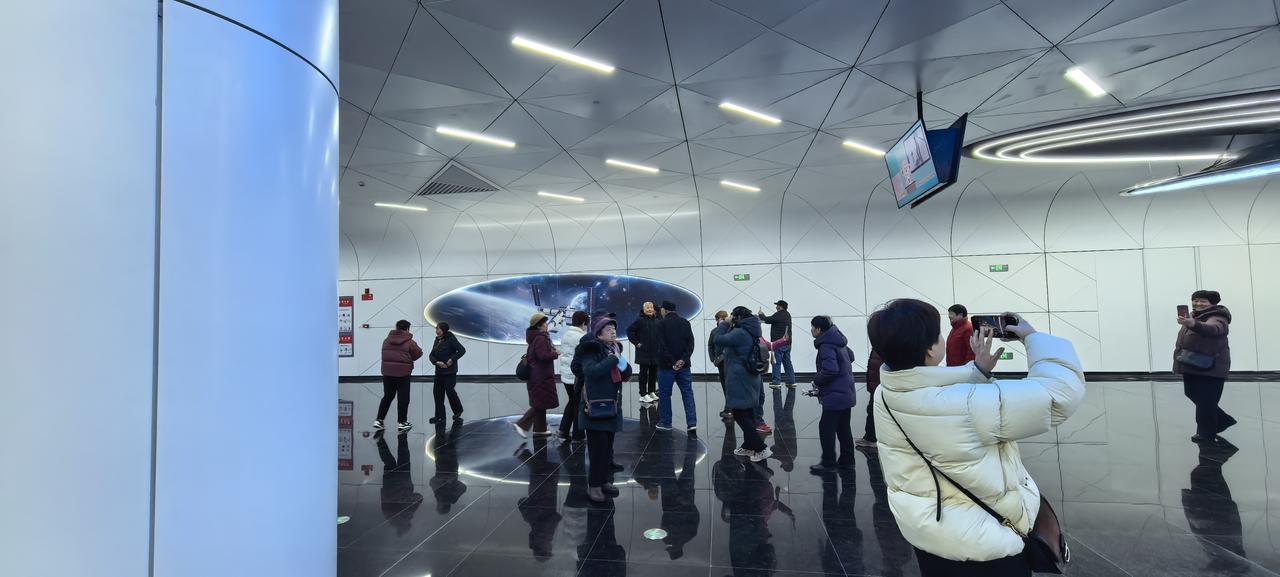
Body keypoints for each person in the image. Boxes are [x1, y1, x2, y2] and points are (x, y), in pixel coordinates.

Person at [870, 299, 1085, 576]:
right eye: (938, 333)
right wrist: (1033, 338)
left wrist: (977, 371)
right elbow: (1058, 395)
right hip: (985, 546)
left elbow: (929, 393)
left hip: (927, 532)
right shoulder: (968, 404)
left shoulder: (885, 394)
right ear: (930, 349)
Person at [577, 315, 632, 502]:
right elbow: (591, 372)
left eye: (614, 329)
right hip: (596, 406)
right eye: (608, 329)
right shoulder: (590, 349)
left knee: (607, 448)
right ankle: (593, 486)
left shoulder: (614, 348)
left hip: (611, 405)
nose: (613, 332)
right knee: (597, 450)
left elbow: (626, 374)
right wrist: (612, 360)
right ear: (599, 334)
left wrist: (619, 360)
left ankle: (603, 481)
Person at [1175, 290, 1235, 444]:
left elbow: (1213, 329)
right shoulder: (1193, 316)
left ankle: (1206, 435)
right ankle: (1221, 421)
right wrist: (1191, 322)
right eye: (1195, 300)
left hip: (1211, 367)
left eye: (1203, 301)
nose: (1198, 303)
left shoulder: (1218, 316)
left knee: (1206, 402)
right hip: (1192, 364)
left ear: (1212, 303)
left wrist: (1193, 324)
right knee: (1193, 394)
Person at [713, 306, 772, 462]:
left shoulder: (740, 333)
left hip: (739, 378)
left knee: (738, 412)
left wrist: (724, 324)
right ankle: (748, 446)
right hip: (750, 376)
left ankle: (761, 448)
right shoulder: (752, 330)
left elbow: (717, 340)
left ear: (738, 317)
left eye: (733, 316)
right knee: (748, 413)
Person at [808, 315, 856, 475]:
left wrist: (817, 380)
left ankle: (828, 463)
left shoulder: (826, 345)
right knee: (844, 428)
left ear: (819, 329)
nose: (811, 330)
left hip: (835, 395)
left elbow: (830, 370)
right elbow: (851, 356)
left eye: (812, 327)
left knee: (826, 428)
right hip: (846, 392)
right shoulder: (838, 341)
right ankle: (848, 461)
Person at [514, 313, 559, 438]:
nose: (546, 325)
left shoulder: (535, 338)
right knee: (539, 403)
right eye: (544, 323)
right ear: (539, 326)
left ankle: (540, 429)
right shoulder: (541, 339)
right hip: (541, 376)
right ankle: (521, 424)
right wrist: (555, 354)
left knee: (541, 402)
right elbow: (543, 356)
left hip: (537, 375)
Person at [376, 320, 423, 433]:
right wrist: (409, 358)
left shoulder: (386, 340)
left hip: (387, 373)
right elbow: (418, 353)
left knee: (387, 396)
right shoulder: (409, 342)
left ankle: (379, 420)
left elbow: (385, 355)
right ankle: (402, 422)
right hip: (403, 374)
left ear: (396, 327)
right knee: (403, 398)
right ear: (407, 329)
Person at [656, 300, 696, 433]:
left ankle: (666, 422)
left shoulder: (661, 324)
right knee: (687, 393)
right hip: (684, 366)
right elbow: (690, 344)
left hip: (666, 366)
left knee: (665, 394)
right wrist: (682, 360)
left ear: (664, 310)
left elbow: (662, 346)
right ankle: (692, 423)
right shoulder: (685, 322)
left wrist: (673, 362)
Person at [556, 311, 591, 443]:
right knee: (579, 405)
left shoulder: (566, 334)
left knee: (572, 401)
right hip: (576, 376)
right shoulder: (582, 337)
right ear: (584, 323)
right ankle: (578, 435)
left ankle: (563, 430)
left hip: (566, 375)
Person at [427, 322, 466, 425]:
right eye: (436, 329)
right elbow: (431, 355)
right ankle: (439, 416)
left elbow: (462, 350)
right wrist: (436, 362)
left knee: (450, 391)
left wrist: (452, 359)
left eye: (438, 329)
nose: (436, 331)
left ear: (443, 330)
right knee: (437, 394)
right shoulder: (437, 340)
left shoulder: (451, 339)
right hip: (439, 372)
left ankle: (458, 410)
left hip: (450, 372)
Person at [626, 301, 662, 405]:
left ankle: (651, 392)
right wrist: (636, 343)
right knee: (643, 374)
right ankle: (643, 394)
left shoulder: (657, 320)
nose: (650, 309)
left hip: (655, 352)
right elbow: (629, 331)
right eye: (647, 307)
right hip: (643, 352)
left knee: (653, 373)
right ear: (643, 309)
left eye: (651, 307)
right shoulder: (639, 320)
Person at [758, 300, 795, 389]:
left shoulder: (779, 314)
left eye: (777, 305)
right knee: (787, 363)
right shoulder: (787, 315)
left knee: (776, 362)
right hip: (787, 344)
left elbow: (767, 320)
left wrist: (761, 314)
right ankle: (791, 382)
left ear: (780, 306)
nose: (776, 307)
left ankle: (776, 382)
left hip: (778, 343)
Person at [708, 310, 733, 420]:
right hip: (720, 362)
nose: (722, 320)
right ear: (717, 319)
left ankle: (729, 408)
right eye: (720, 318)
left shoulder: (731, 329)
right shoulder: (714, 331)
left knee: (729, 385)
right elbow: (710, 345)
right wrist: (713, 358)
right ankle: (729, 407)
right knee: (724, 384)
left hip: (730, 361)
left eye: (724, 318)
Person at [857, 348, 884, 448]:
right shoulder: (879, 346)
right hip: (877, 385)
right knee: (872, 411)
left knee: (873, 411)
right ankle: (870, 437)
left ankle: (871, 438)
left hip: (879, 386)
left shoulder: (883, 346)